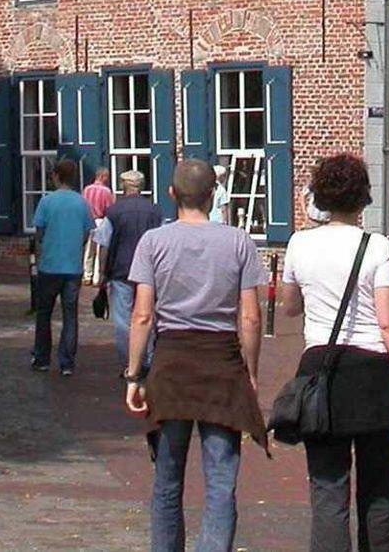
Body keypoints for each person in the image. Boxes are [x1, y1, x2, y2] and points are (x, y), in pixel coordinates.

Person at [279, 153, 389, 552]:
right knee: (379, 488)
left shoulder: (299, 243)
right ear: (363, 198)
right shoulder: (377, 247)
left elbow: (289, 306)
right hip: (375, 374)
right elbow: (388, 321)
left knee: (328, 490)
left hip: (322, 373)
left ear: (320, 197)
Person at [126, 158, 268, 552]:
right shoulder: (238, 241)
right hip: (221, 364)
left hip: (171, 363)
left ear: (172, 194)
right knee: (221, 480)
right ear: (212, 195)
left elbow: (142, 315)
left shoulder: (153, 242)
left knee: (167, 479)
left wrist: (134, 374)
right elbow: (251, 316)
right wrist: (251, 372)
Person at [31, 157, 94, 374]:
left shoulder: (47, 202)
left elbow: (39, 233)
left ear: (56, 176)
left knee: (44, 314)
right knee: (70, 315)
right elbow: (87, 232)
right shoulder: (81, 203)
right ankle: (67, 362)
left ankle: (42, 358)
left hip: (49, 266)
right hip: (73, 267)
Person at [103, 169, 164, 369]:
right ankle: (148, 358)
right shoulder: (155, 211)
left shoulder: (113, 212)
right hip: (148, 272)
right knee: (148, 315)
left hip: (121, 270)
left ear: (123, 186)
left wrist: (103, 272)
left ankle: (129, 362)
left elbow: (104, 243)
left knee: (123, 320)